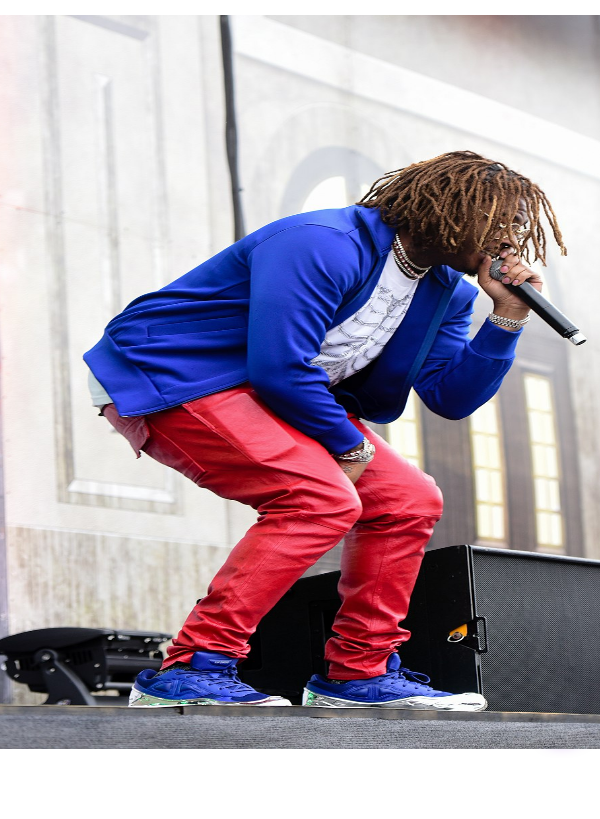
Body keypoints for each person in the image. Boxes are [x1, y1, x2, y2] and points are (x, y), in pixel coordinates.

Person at [84, 150, 566, 710]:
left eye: (514, 227)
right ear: (446, 212)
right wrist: (351, 445)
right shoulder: (322, 242)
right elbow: (280, 366)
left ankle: (359, 673)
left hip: (276, 392)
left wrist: (507, 316)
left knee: (409, 500)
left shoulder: (449, 292)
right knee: (318, 498)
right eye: (495, 222)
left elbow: (451, 398)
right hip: (173, 373)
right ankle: (194, 666)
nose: (507, 240)